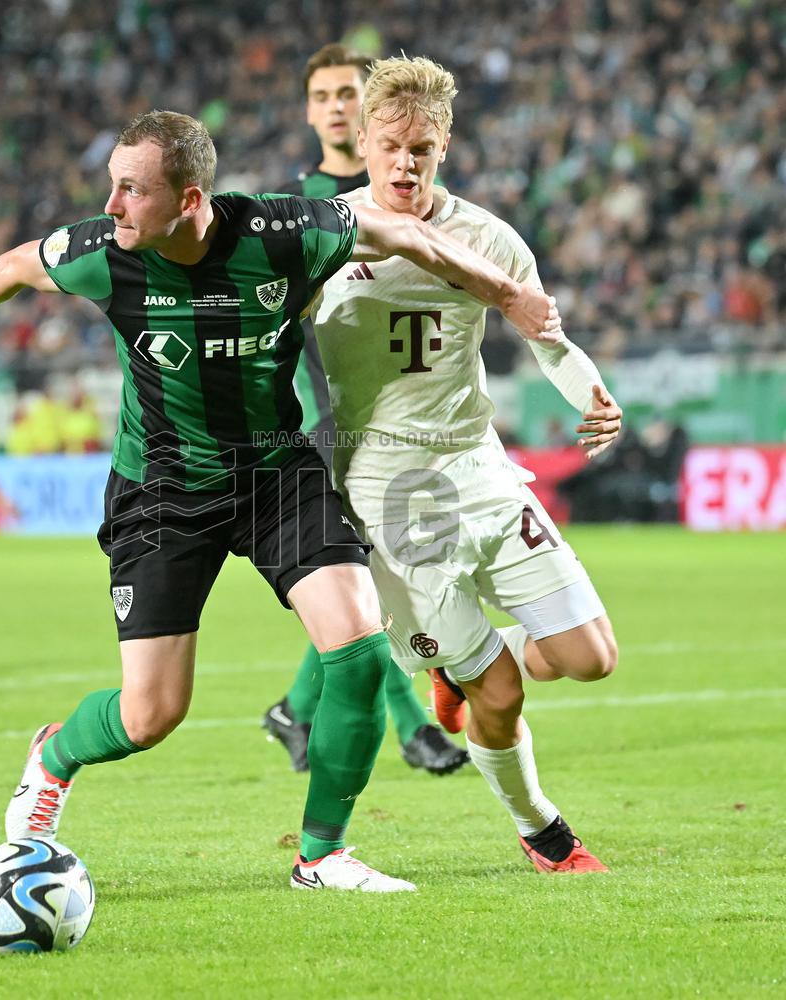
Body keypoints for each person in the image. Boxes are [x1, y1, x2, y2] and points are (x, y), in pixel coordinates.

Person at [0, 110, 562, 891]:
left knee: (356, 651)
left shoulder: (284, 235)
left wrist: (506, 295)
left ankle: (321, 855)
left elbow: (406, 238)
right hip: (161, 488)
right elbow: (19, 264)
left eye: (130, 190)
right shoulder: (101, 253)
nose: (110, 206)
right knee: (152, 715)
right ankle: (54, 754)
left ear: (188, 199)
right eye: (111, 186)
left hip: (274, 473)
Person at [306, 56, 623, 873]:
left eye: (423, 148)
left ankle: (465, 662)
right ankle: (541, 829)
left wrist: (593, 394)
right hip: (384, 486)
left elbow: (546, 336)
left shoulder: (486, 237)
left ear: (444, 146)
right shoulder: (322, 236)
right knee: (506, 695)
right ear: (364, 141)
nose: (405, 164)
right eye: (392, 146)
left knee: (592, 658)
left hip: (479, 468)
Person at [266, 43, 466, 776]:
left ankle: (295, 706)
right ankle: (415, 726)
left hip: (421, 420)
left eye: (347, 93)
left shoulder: (414, 194)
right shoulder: (303, 208)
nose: (336, 108)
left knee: (379, 580)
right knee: (366, 580)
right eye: (322, 97)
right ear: (310, 110)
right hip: (340, 420)